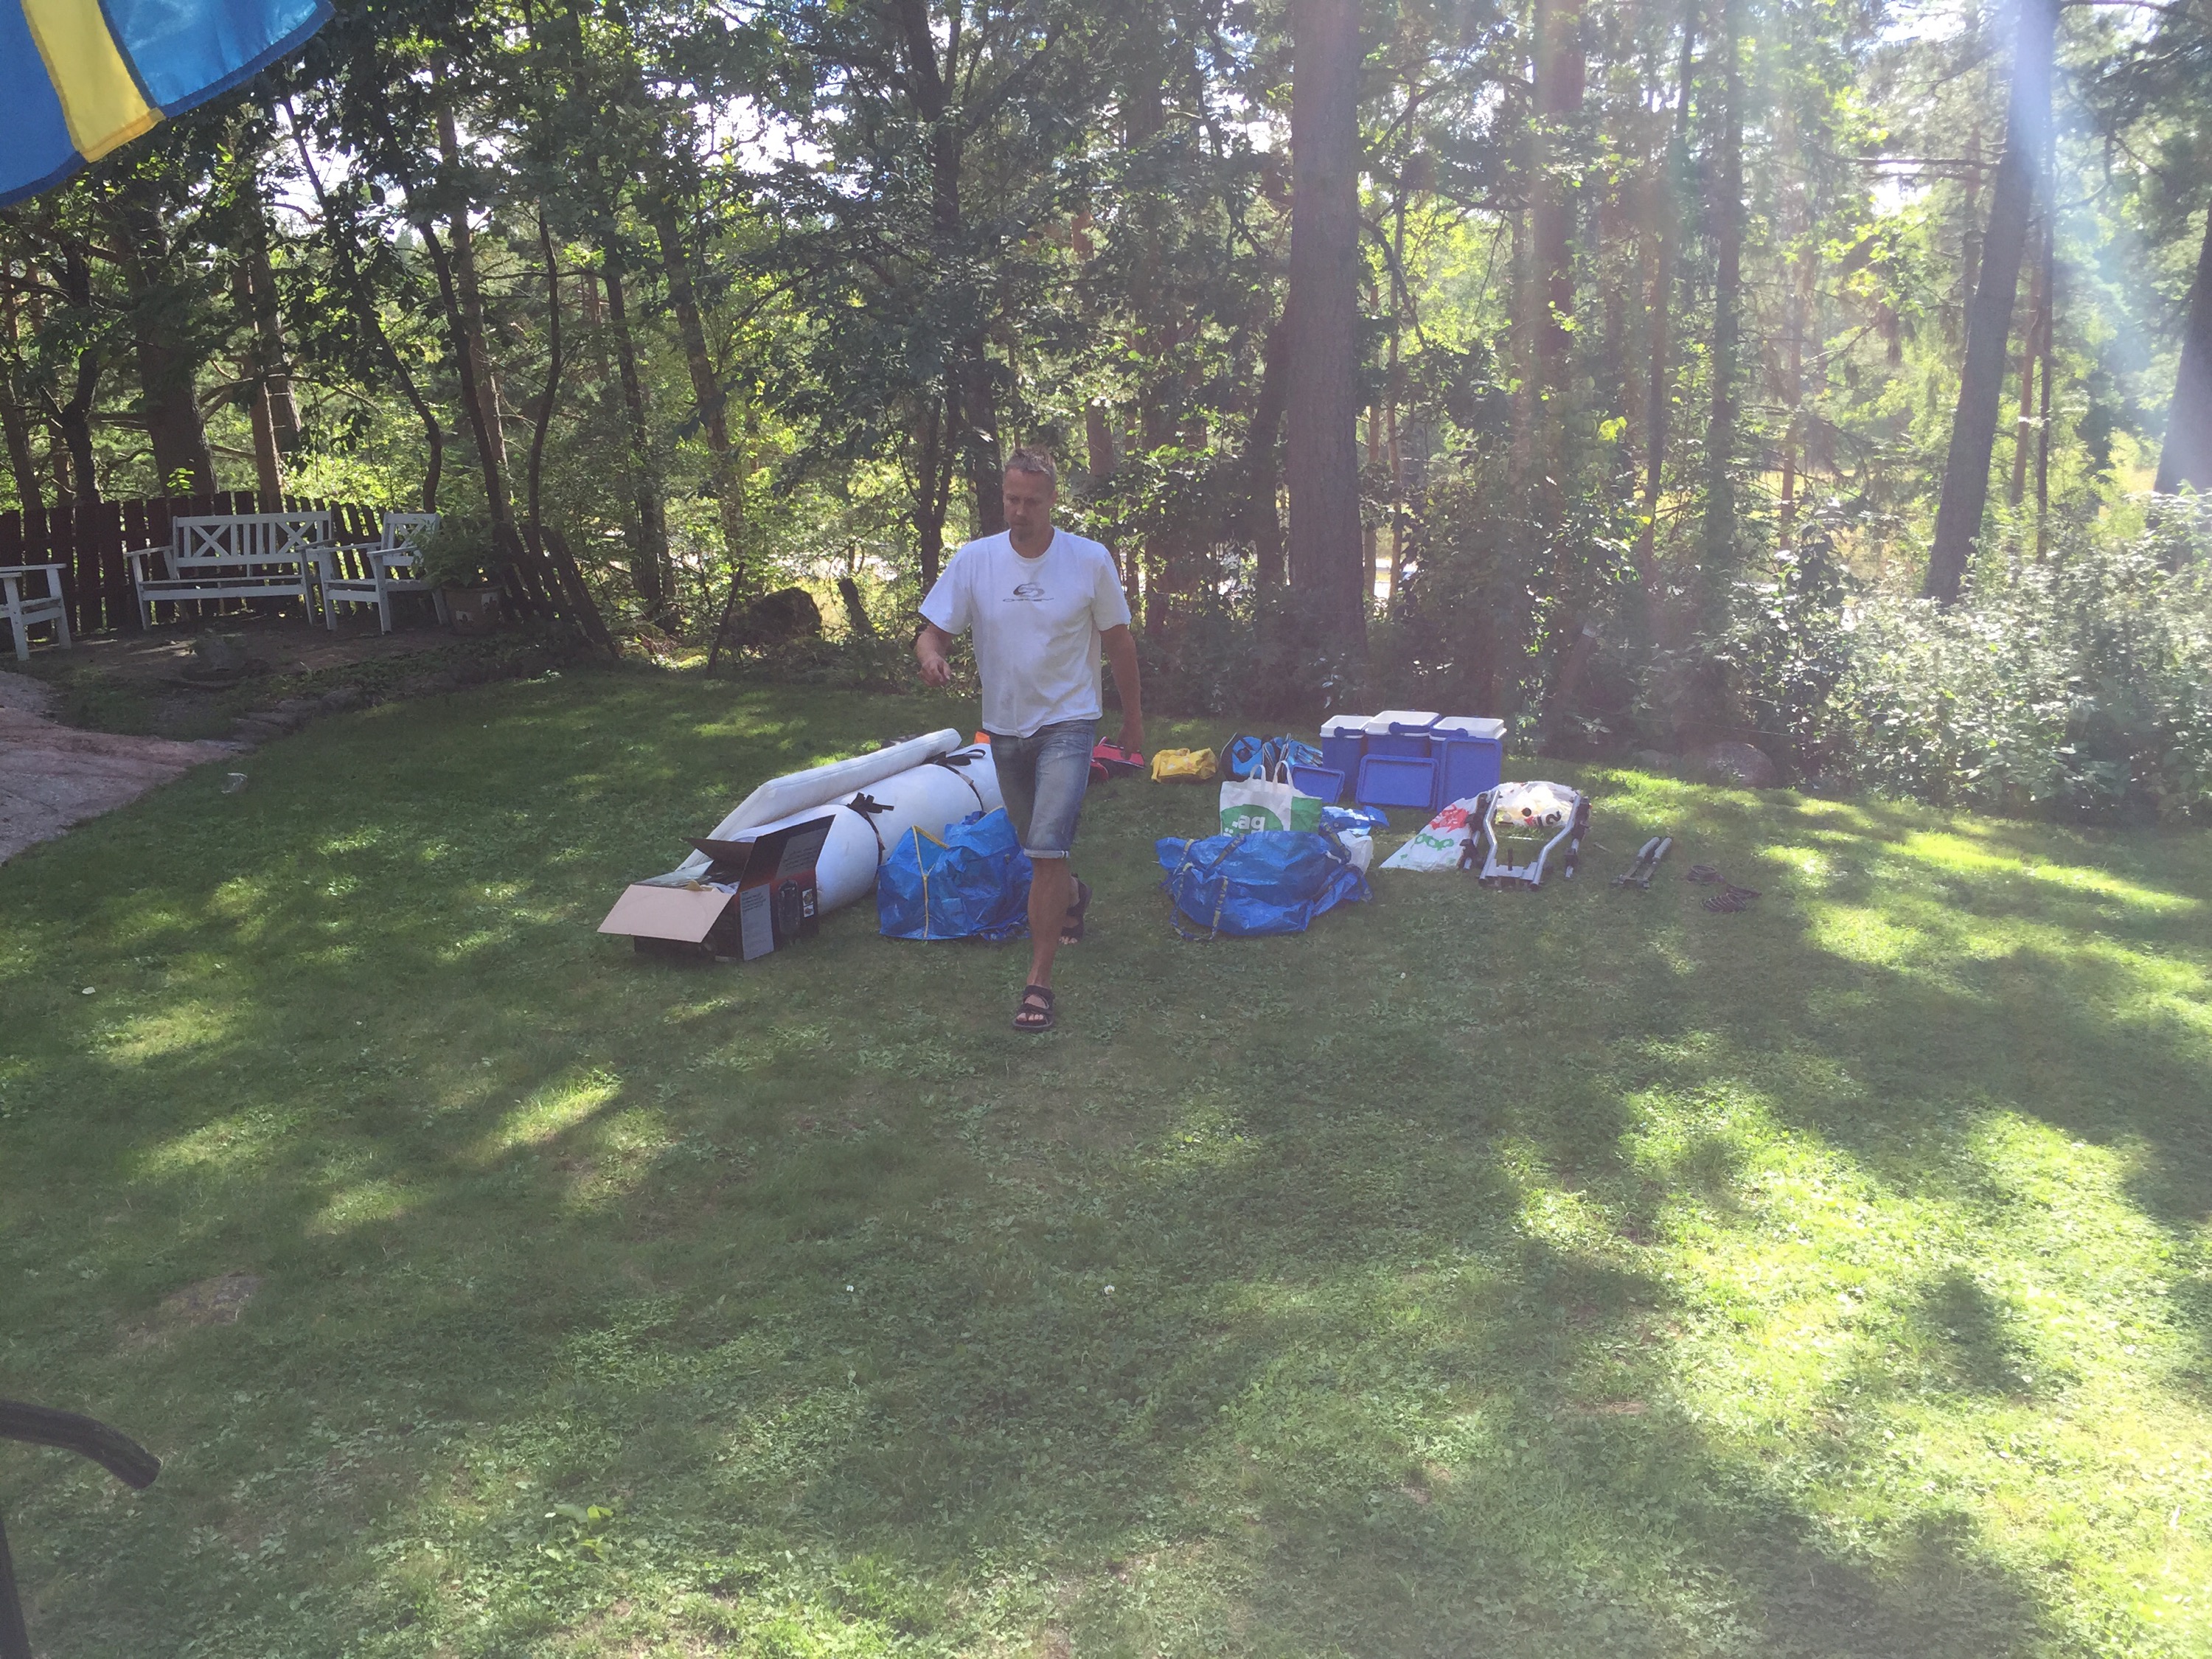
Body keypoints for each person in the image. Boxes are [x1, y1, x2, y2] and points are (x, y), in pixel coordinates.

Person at [916, 448, 1144, 1032]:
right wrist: (932, 656)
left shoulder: (1088, 560)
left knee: (1045, 846)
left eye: (1032, 502)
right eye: (1012, 499)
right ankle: (1074, 894)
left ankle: (1037, 985)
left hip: (1069, 722)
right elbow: (932, 632)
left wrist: (1134, 720)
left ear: (1052, 501)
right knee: (1035, 845)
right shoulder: (975, 560)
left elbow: (1119, 642)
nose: (1020, 511)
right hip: (1005, 728)